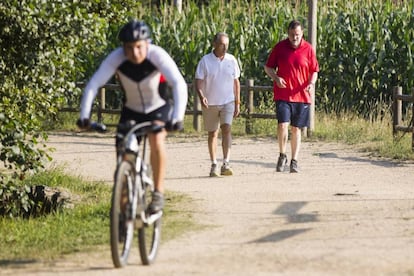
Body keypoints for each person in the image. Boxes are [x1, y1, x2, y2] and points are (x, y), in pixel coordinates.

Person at [77, 20, 188, 213]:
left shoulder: (157, 55)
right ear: (123, 47)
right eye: (129, 48)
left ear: (147, 43)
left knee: (156, 139)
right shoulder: (116, 58)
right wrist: (84, 116)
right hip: (131, 111)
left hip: (158, 108)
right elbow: (94, 84)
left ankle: (158, 194)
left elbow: (179, 83)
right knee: (123, 158)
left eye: (139, 47)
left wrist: (177, 118)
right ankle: (123, 218)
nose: (134, 53)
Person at [264, 20, 319, 173]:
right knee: (282, 125)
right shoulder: (280, 47)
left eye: (297, 35)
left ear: (302, 34)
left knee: (296, 129)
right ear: (288, 34)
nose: (294, 38)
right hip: (283, 94)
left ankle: (294, 160)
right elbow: (268, 67)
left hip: (301, 95)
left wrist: (311, 83)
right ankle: (282, 155)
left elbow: (314, 70)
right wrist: (276, 78)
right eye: (292, 35)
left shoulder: (308, 49)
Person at [195, 32, 241, 177]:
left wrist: (237, 101)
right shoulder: (205, 61)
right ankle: (214, 163)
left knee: (226, 129)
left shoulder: (232, 60)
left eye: (227, 44)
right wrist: (202, 96)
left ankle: (226, 162)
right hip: (211, 103)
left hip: (228, 101)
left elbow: (236, 82)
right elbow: (199, 81)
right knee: (213, 133)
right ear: (214, 44)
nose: (225, 47)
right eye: (222, 44)